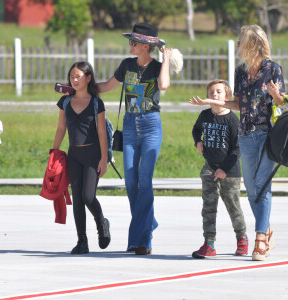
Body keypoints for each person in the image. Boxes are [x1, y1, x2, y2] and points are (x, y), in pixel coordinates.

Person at [190, 25, 285, 261]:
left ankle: (260, 239)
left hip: (265, 134)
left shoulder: (273, 69)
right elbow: (239, 105)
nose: (238, 44)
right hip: (245, 134)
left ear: (252, 43)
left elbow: (281, 101)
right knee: (252, 190)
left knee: (262, 187)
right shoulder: (240, 71)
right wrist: (211, 101)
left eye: (241, 40)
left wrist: (276, 95)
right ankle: (267, 229)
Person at [98, 23, 172, 255]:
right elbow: (107, 86)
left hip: (151, 125)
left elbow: (164, 85)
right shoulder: (126, 65)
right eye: (130, 41)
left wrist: (166, 59)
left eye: (133, 42)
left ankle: (143, 239)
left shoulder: (158, 67)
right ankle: (147, 224)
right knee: (131, 181)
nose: (129, 45)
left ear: (146, 46)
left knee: (145, 180)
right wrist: (80, 87)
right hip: (129, 126)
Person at [52, 61, 111, 254]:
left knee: (88, 196)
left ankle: (101, 223)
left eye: (78, 76)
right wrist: (54, 151)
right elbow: (61, 128)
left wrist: (104, 159)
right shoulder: (65, 101)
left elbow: (102, 133)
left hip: (93, 155)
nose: (74, 80)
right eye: (71, 77)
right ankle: (82, 241)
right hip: (74, 155)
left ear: (88, 78)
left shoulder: (96, 103)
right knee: (77, 199)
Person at [191, 80, 248, 258]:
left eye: (218, 92)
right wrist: (198, 141)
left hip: (229, 172)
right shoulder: (205, 115)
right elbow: (195, 129)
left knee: (233, 206)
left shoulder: (232, 120)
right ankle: (209, 244)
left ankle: (242, 239)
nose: (214, 95)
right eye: (211, 92)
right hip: (209, 168)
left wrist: (224, 168)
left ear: (227, 97)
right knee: (208, 207)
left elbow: (237, 149)